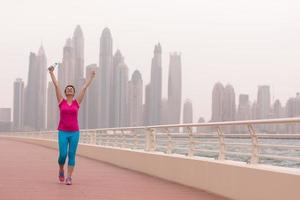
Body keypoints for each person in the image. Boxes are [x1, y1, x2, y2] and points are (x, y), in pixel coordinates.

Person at [48, 65, 96, 185]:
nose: (69, 89)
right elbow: (57, 85)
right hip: (63, 132)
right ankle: (60, 169)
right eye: (67, 88)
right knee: (63, 154)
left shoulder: (76, 102)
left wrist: (91, 77)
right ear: (65, 92)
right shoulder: (61, 102)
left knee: (72, 154)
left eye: (71, 88)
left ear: (74, 92)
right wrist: (51, 73)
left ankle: (69, 177)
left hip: (74, 132)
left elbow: (84, 88)